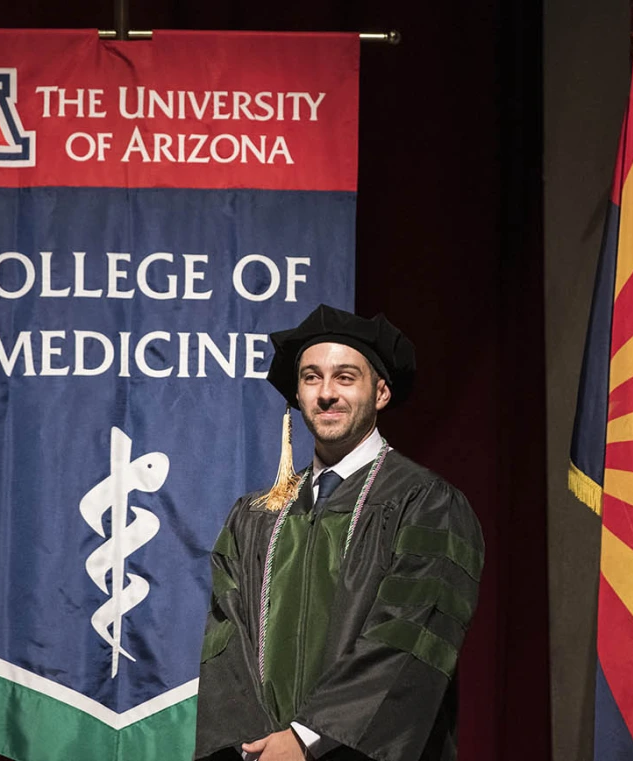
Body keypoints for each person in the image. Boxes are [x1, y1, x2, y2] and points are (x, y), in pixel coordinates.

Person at [193, 304, 484, 761]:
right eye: (311, 378)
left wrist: (307, 738)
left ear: (381, 392)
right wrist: (256, 746)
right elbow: (228, 644)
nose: (326, 393)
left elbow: (409, 636)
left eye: (345, 377)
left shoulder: (426, 504)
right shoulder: (253, 517)